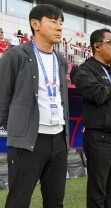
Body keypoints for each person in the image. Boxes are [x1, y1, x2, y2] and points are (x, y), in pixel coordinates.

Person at [0, 4, 69, 207]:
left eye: (61, 23)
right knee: (19, 201)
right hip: (29, 141)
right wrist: (19, 127)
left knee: (55, 201)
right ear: (35, 24)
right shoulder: (15, 55)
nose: (59, 27)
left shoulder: (61, 60)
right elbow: (2, 98)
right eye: (53, 22)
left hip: (58, 139)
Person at [75, 28, 111, 208]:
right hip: (100, 138)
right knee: (98, 189)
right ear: (97, 46)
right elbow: (97, 94)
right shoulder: (85, 69)